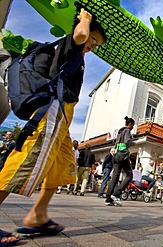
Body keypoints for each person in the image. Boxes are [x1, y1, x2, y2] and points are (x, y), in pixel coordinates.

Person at [0, 8, 106, 241]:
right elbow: (79, 35)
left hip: (63, 117)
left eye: (96, 44)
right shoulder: (72, 43)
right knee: (25, 161)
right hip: (52, 110)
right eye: (94, 40)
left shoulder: (77, 55)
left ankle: (38, 215)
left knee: (62, 165)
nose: (93, 46)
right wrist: (85, 20)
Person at [105, 117, 136, 206]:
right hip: (123, 155)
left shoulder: (119, 132)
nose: (132, 127)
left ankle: (108, 199)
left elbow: (117, 144)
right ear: (129, 124)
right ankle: (116, 194)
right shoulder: (127, 131)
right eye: (132, 126)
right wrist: (133, 142)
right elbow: (127, 142)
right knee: (129, 175)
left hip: (116, 155)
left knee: (115, 177)